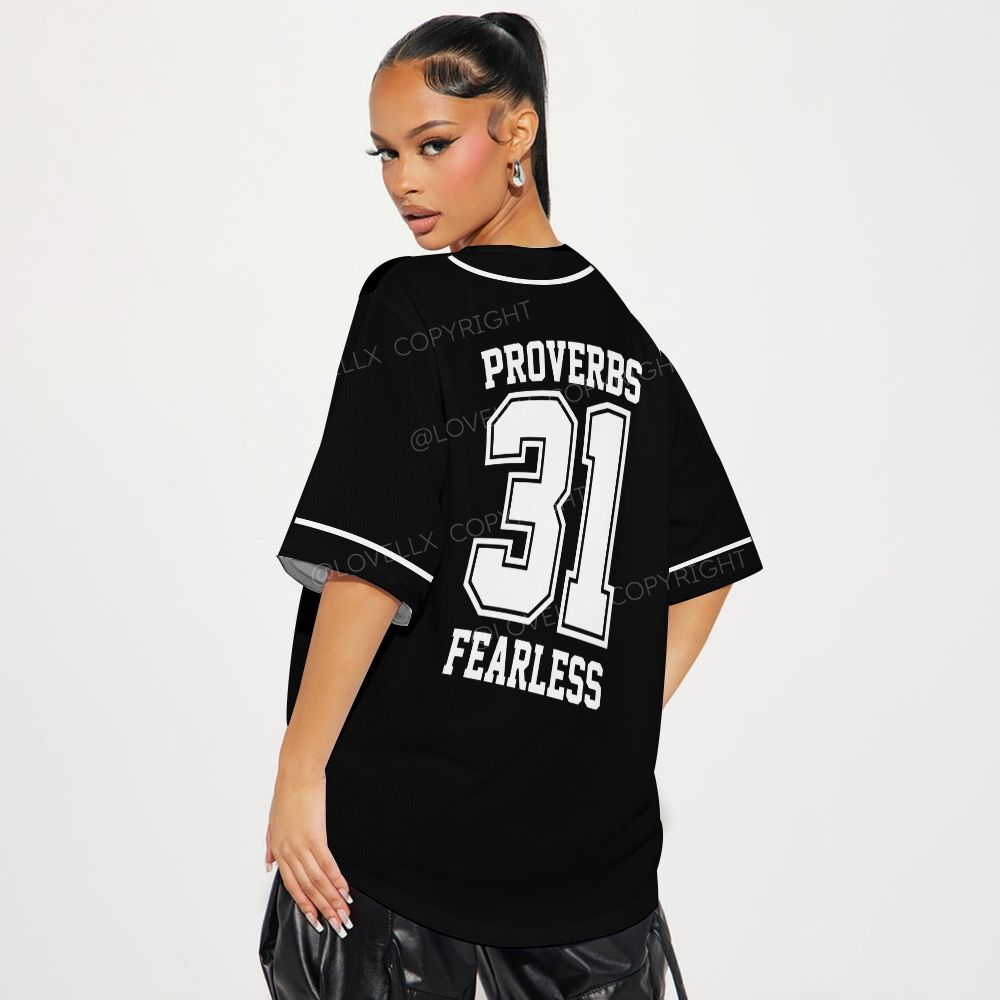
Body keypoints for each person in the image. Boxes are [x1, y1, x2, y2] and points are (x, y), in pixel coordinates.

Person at [259, 12, 763, 999]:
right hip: (593, 866)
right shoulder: (629, 344)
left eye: (433, 144)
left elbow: (369, 567)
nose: (402, 181)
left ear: (517, 132)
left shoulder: (410, 305)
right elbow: (706, 564)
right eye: (386, 153)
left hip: (402, 847)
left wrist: (298, 768)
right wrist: (599, 721)